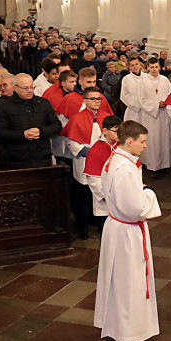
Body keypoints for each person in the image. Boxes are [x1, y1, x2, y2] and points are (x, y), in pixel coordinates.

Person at [94, 121, 161, 341]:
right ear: (129, 142)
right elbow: (136, 209)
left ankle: (118, 329)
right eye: (142, 141)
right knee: (129, 283)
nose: (145, 145)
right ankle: (128, 336)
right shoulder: (124, 169)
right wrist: (148, 192)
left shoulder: (116, 159)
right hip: (127, 233)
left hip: (118, 228)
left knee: (119, 282)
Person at [63, 87, 109, 239]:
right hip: (83, 161)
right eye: (93, 99)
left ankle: (99, 221)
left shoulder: (106, 117)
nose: (96, 102)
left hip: (103, 162)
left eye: (98, 99)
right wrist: (90, 153)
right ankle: (82, 225)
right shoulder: (77, 118)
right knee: (84, 195)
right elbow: (71, 143)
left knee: (102, 193)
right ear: (85, 100)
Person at [0, 73, 62, 169]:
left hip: (42, 158)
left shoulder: (43, 103)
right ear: (15, 88)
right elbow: (0, 132)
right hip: (15, 160)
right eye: (25, 88)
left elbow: (56, 126)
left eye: (32, 87)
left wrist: (41, 131)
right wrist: (23, 135)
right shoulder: (4, 106)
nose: (29, 91)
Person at [120, 57, 171, 173]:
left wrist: (166, 103)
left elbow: (170, 95)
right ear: (148, 67)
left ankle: (165, 163)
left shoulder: (164, 80)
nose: (154, 69)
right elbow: (137, 98)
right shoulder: (136, 80)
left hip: (163, 113)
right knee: (150, 139)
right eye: (152, 67)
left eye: (156, 67)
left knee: (163, 139)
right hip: (148, 114)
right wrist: (154, 106)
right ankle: (152, 165)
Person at [83, 116, 121, 231]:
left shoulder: (122, 147)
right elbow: (93, 179)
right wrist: (108, 196)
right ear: (105, 131)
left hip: (122, 199)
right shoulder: (96, 150)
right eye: (115, 131)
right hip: (106, 203)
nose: (119, 135)